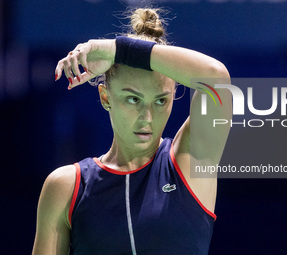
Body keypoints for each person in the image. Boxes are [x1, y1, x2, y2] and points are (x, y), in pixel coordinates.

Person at [32, 8, 232, 255]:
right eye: (133, 99)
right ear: (106, 97)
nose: (147, 117)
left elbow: (217, 78)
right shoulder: (65, 187)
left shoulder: (190, 161)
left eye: (160, 101)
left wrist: (117, 50)